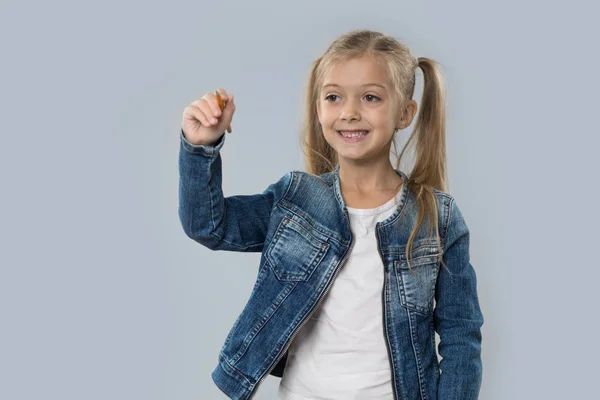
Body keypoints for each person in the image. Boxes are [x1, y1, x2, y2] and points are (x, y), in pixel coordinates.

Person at [178, 29, 484, 400]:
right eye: (334, 97)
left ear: (405, 113)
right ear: (319, 108)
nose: (350, 112)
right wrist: (200, 148)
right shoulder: (296, 199)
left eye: (370, 97)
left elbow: (460, 335)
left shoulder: (439, 219)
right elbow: (209, 225)